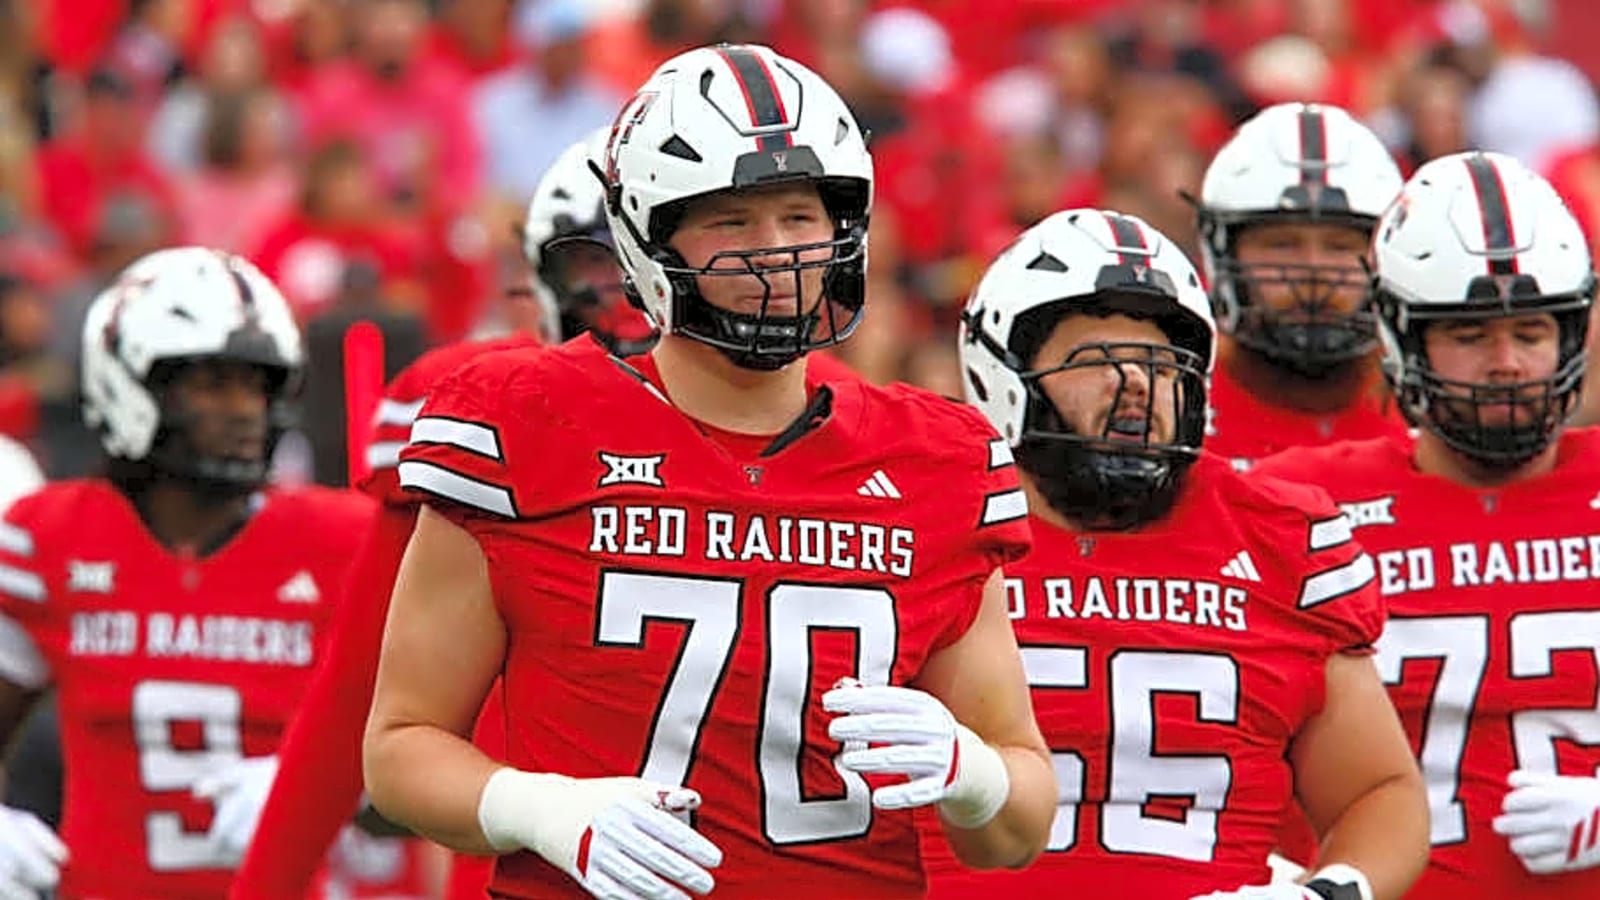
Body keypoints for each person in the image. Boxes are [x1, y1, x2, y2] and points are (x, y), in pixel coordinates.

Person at [363, 43, 1057, 898]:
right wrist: (539, 807)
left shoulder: (935, 460)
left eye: (800, 217)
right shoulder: (529, 420)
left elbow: (1017, 828)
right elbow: (400, 747)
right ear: (649, 241)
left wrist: (975, 776)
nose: (775, 252)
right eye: (731, 220)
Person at [934, 208, 1428, 900]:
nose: (1136, 385)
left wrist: (1328, 892)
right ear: (1004, 376)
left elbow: (1378, 791)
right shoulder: (931, 526)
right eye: (1095, 361)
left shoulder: (1277, 537)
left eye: (1160, 364)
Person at [231, 128, 655, 900]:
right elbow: (356, 690)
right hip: (520, 856)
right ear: (543, 273)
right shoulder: (479, 404)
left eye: (650, 247)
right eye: (599, 258)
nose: (630, 289)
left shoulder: (824, 412)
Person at [1251, 150, 1600, 900]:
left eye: (1532, 332)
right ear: (1405, 340)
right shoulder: (1300, 502)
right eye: (1471, 337)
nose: (1507, 363)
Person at [0, 246, 374, 898]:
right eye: (212, 383)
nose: (243, 410)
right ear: (130, 383)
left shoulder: (341, 539)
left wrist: (326, 786)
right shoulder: (49, 537)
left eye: (257, 385)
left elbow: (430, 757)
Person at [1195, 102, 1408, 470]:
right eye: (1282, 244)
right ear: (1224, 252)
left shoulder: (1435, 417)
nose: (1314, 270)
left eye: (1341, 247)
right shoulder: (1173, 410)